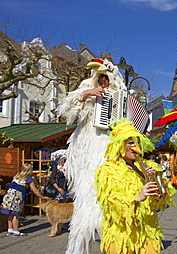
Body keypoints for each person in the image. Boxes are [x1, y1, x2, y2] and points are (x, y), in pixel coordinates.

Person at [57, 56, 127, 253]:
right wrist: (87, 93)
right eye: (101, 77)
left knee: (110, 196)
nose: (103, 81)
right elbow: (66, 108)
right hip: (89, 147)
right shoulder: (87, 87)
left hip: (108, 147)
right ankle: (80, 245)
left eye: (107, 77)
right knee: (87, 196)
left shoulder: (119, 95)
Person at [95, 119, 176, 253]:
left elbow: (161, 201)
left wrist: (159, 188)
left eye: (137, 143)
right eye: (130, 143)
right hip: (121, 233)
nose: (135, 147)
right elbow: (111, 204)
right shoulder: (107, 170)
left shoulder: (149, 166)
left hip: (147, 230)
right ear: (120, 145)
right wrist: (138, 197)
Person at [1, 163, 47, 237]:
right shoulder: (28, 179)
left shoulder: (16, 176)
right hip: (17, 197)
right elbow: (34, 190)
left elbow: (12, 184)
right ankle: (16, 231)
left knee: (10, 213)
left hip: (9, 196)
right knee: (16, 214)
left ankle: (10, 229)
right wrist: (42, 197)